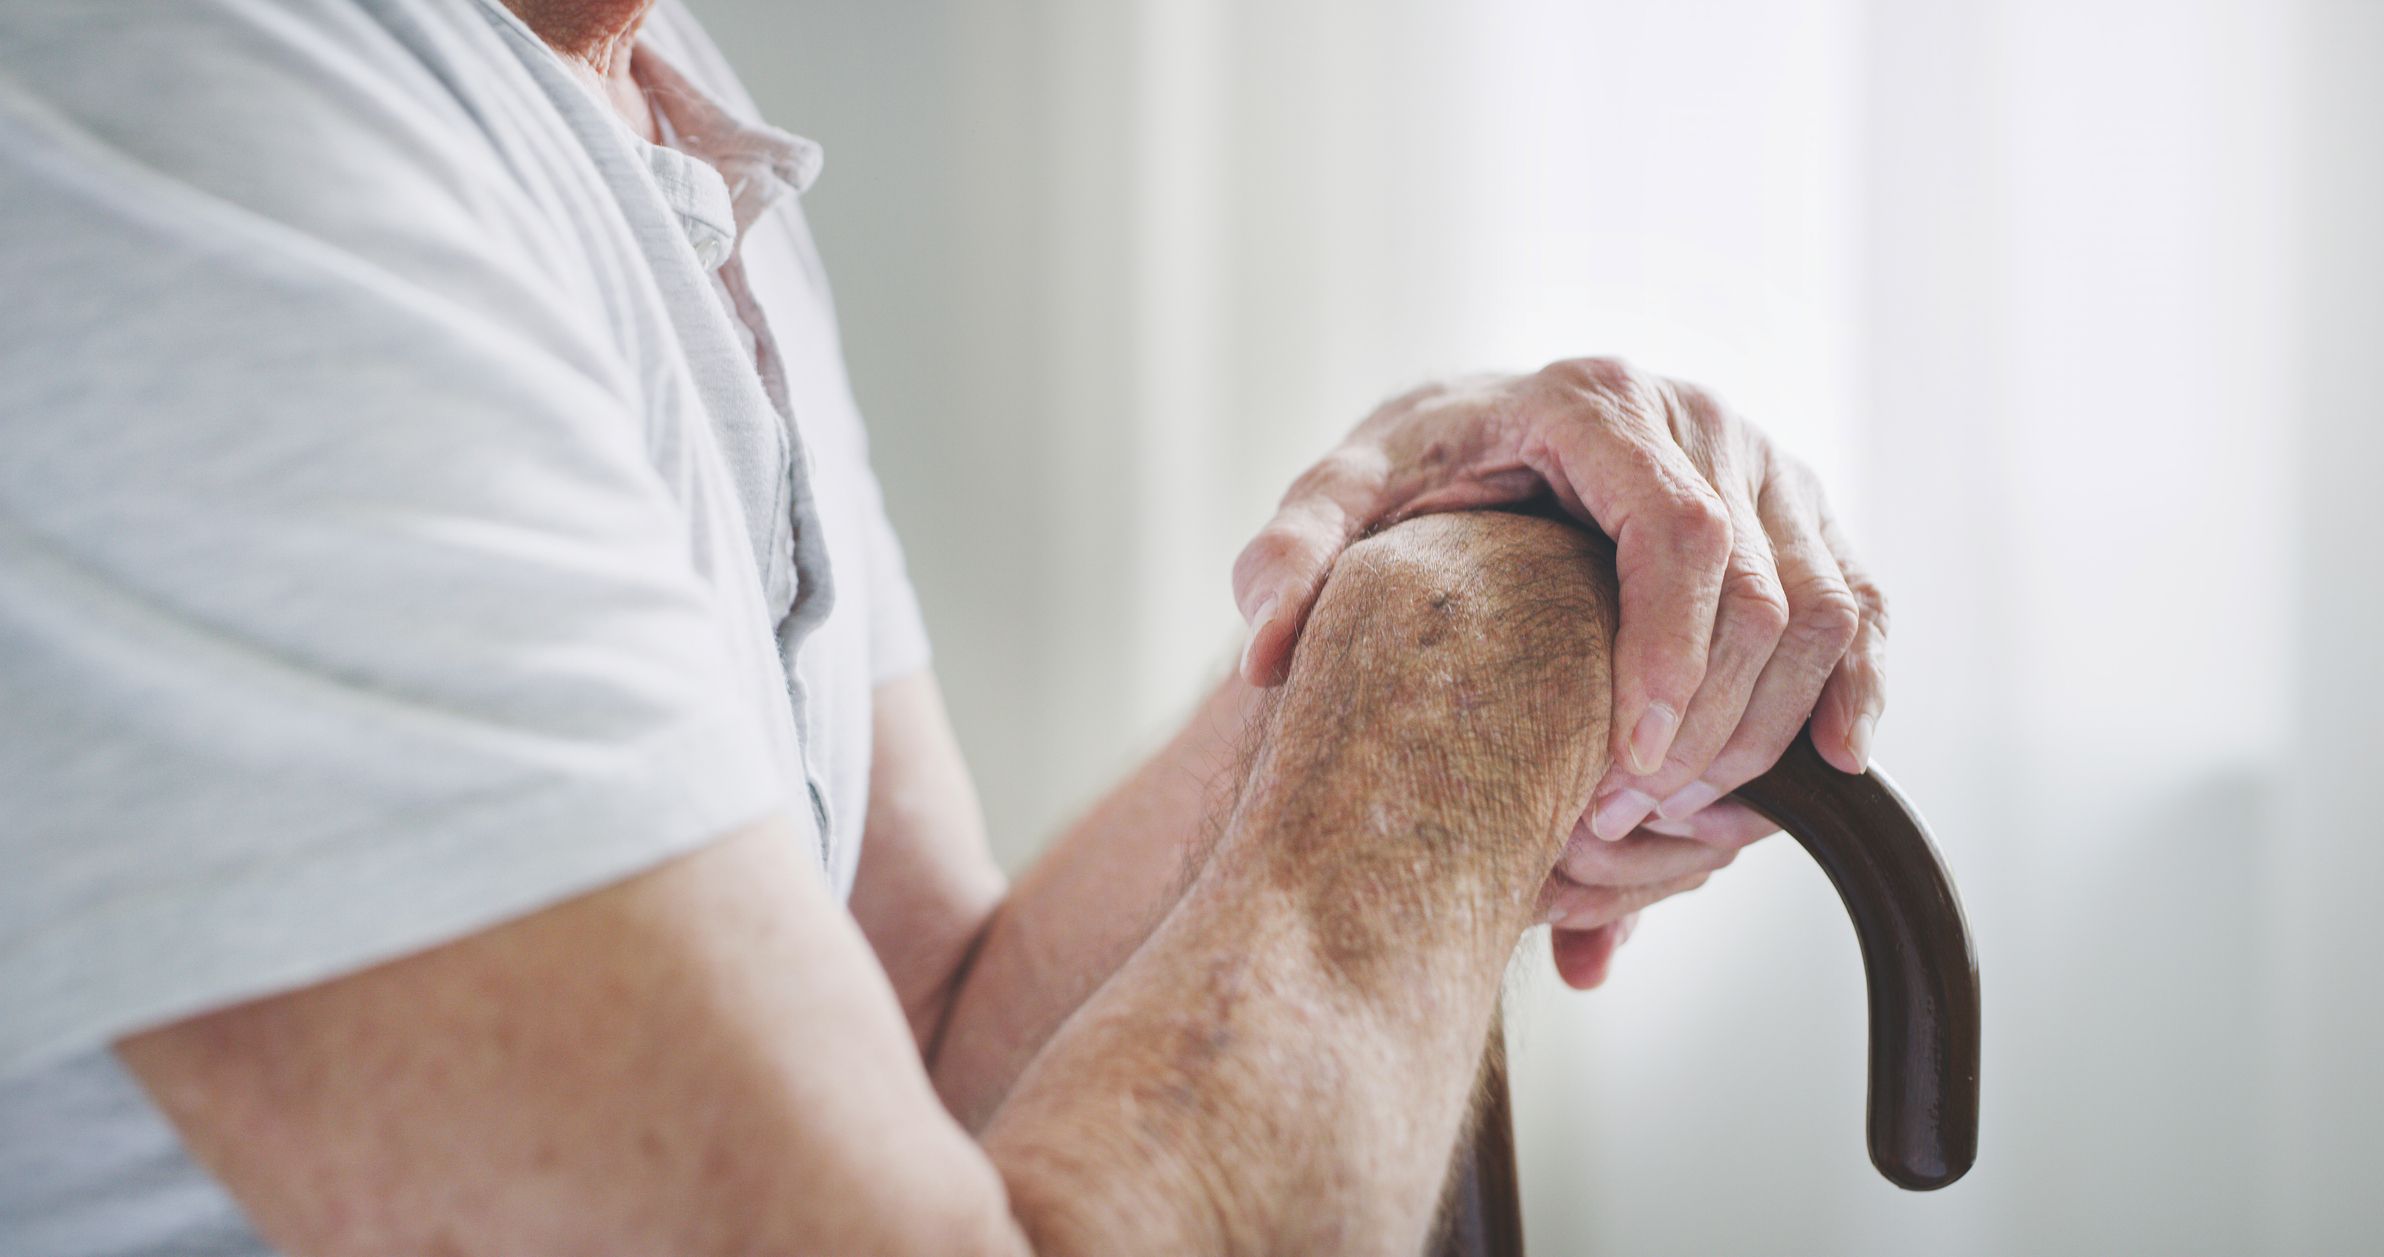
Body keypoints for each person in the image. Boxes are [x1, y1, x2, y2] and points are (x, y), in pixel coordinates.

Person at [0, 2, 1887, 1252]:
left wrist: (1451, 535)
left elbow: (909, 1057)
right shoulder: (195, 122)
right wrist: (1447, 693)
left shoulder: (638, 96)